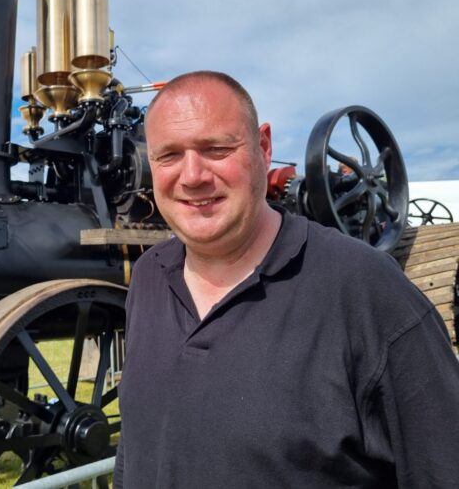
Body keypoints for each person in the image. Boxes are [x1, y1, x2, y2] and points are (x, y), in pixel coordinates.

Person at [113, 70, 459, 488]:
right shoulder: (149, 276)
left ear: (263, 147)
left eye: (217, 148)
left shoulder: (367, 291)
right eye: (169, 155)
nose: (192, 176)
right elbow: (135, 448)